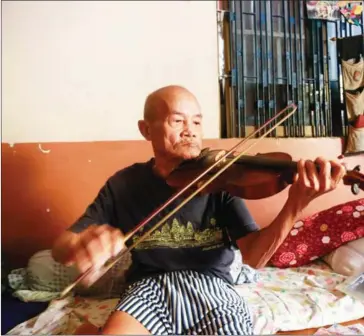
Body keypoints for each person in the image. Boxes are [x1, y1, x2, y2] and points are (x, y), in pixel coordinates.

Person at [52, 85, 345, 335]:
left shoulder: (222, 178)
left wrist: (295, 205)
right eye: (177, 121)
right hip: (149, 288)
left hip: (213, 285)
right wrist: (82, 245)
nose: (189, 131)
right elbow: (62, 246)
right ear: (146, 130)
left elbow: (253, 259)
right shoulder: (124, 184)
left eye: (196, 122)